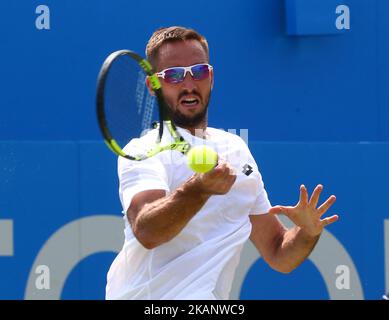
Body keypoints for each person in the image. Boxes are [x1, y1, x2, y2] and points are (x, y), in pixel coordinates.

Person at [105, 26, 339, 300]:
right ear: (153, 85)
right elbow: (147, 230)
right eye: (174, 75)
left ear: (211, 77)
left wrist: (307, 232)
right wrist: (199, 189)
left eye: (199, 72)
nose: (189, 84)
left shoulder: (236, 150)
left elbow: (279, 253)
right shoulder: (143, 151)